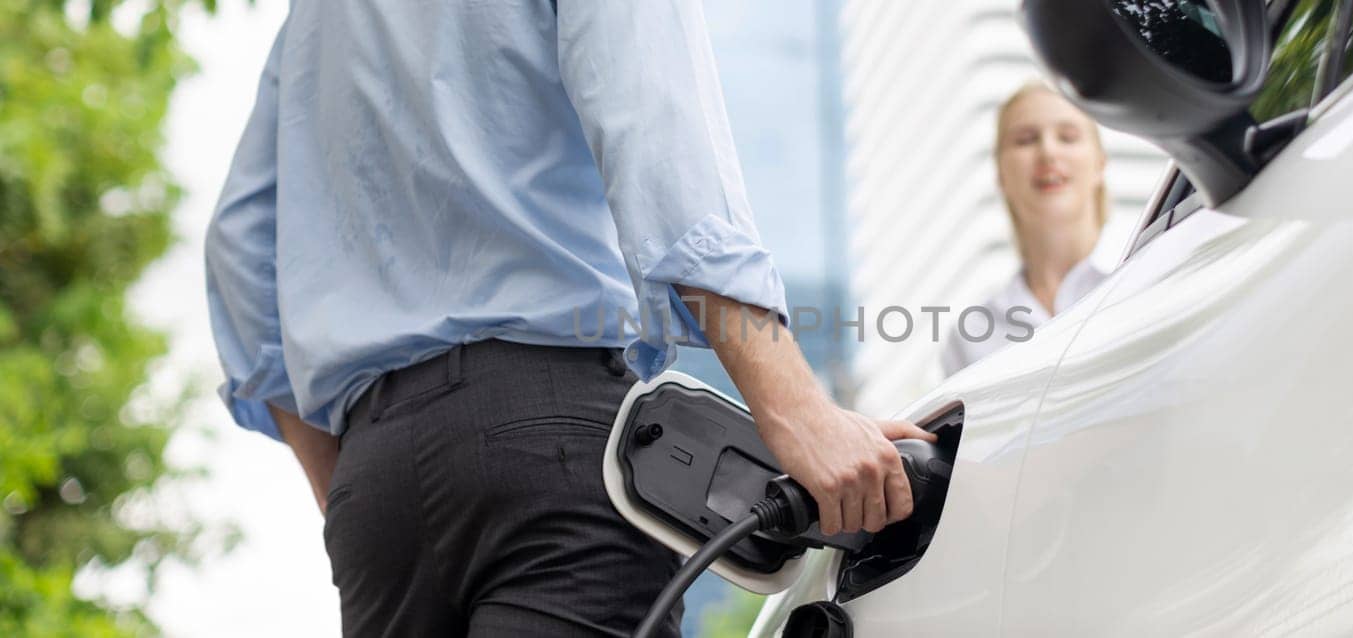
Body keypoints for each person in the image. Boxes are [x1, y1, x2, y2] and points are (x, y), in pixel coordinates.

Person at [203, 2, 932, 636]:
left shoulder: (315, 18)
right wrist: (796, 409)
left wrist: (347, 483)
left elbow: (238, 249)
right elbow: (655, 127)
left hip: (376, 485)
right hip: (550, 449)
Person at [941, 82, 1111, 377]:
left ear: (1099, 163)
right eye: (1025, 140)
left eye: (1068, 137)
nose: (1047, 152)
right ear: (1000, 174)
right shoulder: (973, 335)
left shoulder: (1146, 273)